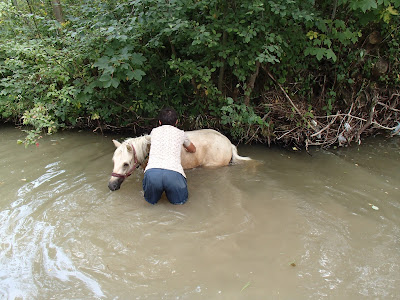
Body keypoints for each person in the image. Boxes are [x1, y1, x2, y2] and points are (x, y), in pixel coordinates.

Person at [143, 107, 196, 205]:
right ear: (176, 122)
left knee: (150, 204)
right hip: (174, 173)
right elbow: (193, 149)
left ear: (159, 122)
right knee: (179, 204)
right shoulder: (181, 133)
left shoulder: (154, 131)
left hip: (152, 173)